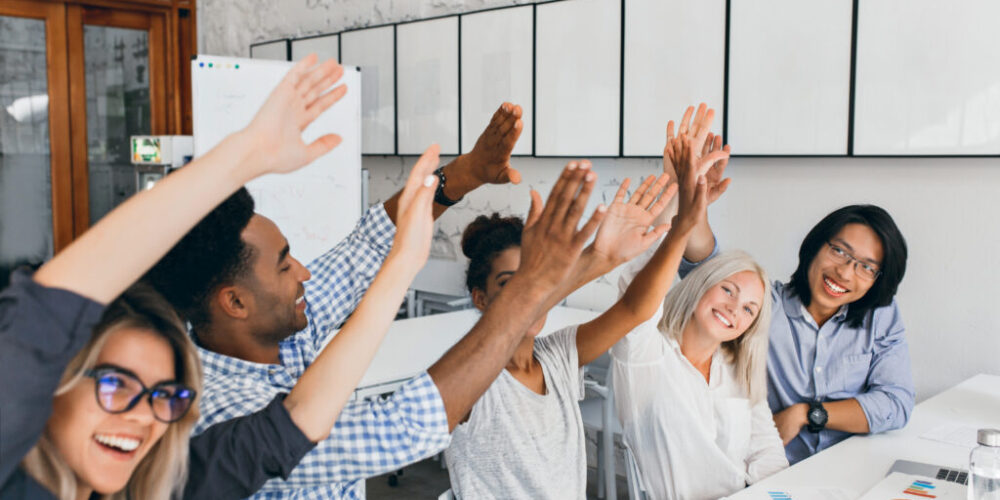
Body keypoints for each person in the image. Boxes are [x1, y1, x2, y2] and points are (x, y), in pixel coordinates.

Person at [146, 130, 613, 499]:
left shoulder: (276, 334)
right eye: (285, 263)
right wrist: (528, 287)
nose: (303, 271)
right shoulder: (224, 413)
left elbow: (361, 251)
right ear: (235, 302)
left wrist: (463, 175)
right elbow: (401, 427)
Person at [0, 54, 362, 499]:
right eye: (115, 385)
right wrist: (246, 154)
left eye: (163, 397)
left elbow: (290, 428)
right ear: (49, 385)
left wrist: (406, 257)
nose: (142, 416)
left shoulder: (167, 488)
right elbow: (43, 315)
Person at [443, 141, 730, 499]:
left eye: (535, 276)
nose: (527, 292)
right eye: (508, 283)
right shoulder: (472, 378)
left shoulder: (556, 356)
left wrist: (682, 224)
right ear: (480, 299)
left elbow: (634, 308)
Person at [667, 105, 914, 464]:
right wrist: (693, 202)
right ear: (816, 247)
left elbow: (896, 403)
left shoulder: (881, 316)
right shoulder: (765, 302)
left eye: (865, 267)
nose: (845, 273)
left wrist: (807, 413)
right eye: (839, 251)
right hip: (776, 473)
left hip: (852, 470)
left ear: (877, 280)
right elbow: (706, 270)